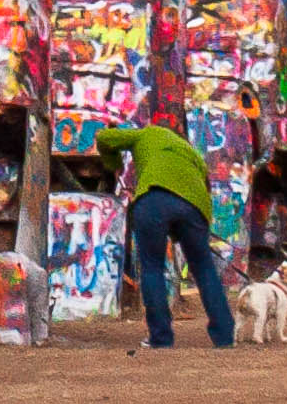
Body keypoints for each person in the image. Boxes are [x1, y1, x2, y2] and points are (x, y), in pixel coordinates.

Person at [92, 117, 232, 349]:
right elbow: (204, 187)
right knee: (205, 269)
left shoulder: (147, 133)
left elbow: (104, 137)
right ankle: (225, 337)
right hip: (194, 205)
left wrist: (113, 163)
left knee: (152, 268)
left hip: (154, 197)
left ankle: (161, 338)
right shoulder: (191, 152)